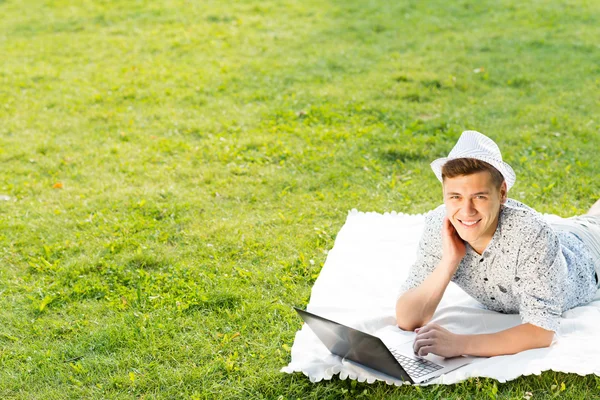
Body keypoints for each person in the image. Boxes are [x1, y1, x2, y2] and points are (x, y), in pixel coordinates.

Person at [395, 130, 600, 358]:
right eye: (455, 197)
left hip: (590, 254)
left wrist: (460, 344)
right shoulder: (439, 225)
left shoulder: (532, 234)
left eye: (479, 196)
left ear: (502, 193)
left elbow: (542, 332)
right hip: (562, 234)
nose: (466, 211)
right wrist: (449, 261)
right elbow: (407, 318)